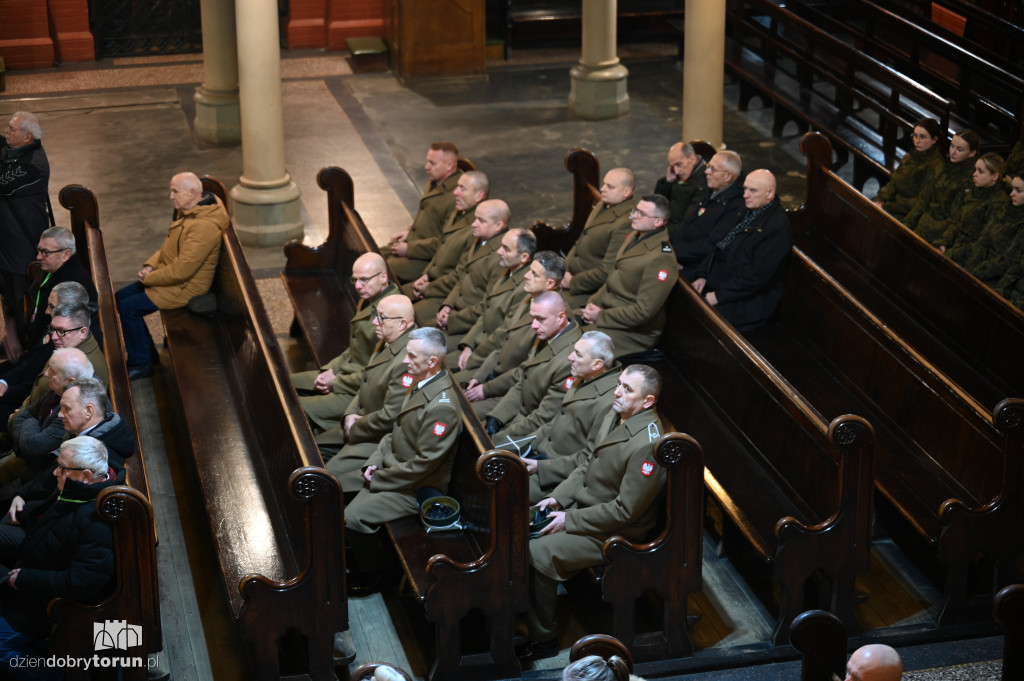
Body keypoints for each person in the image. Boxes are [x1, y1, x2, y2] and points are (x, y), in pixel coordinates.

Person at [516, 365, 667, 662]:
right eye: (619, 384)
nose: (617, 391)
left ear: (647, 401)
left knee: (537, 552)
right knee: (522, 523)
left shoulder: (648, 445)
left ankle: (543, 638)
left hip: (615, 532)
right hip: (588, 508)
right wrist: (558, 498)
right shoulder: (615, 415)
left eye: (627, 389)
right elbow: (587, 463)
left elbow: (625, 511)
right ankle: (520, 608)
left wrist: (569, 519)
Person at [344, 327, 462, 595]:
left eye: (412, 356)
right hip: (394, 468)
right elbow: (393, 432)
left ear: (432, 361)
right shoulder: (421, 382)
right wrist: (374, 461)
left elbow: (424, 464)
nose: (405, 360)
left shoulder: (442, 407)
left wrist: (380, 478)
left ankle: (376, 575)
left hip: (415, 488)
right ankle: (358, 554)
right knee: (338, 486)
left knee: (352, 517)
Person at [0, 436, 118, 678]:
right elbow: (54, 534)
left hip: (46, 608)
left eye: (62, 468)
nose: (55, 473)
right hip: (28, 589)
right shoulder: (78, 492)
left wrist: (25, 578)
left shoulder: (98, 521)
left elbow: (80, 583)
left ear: (86, 475)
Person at [115, 171, 230, 379]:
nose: (171, 196)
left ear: (192, 193)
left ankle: (141, 363)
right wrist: (151, 266)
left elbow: (182, 272)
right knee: (120, 297)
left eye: (175, 192)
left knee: (128, 308)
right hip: (171, 278)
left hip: (186, 287)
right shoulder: (190, 212)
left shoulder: (204, 226)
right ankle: (146, 353)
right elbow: (169, 248)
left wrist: (150, 278)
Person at [291, 252, 397, 431]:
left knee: (294, 410)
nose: (358, 286)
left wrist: (336, 382)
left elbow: (377, 373)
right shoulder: (369, 299)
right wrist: (331, 370)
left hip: (359, 392)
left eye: (364, 279)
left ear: (383, 277)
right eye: (355, 280)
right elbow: (355, 349)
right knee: (284, 384)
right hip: (345, 373)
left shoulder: (392, 313)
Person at [518, 331, 621, 502]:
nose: (570, 357)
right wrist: (516, 447)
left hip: (558, 475)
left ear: (597, 364)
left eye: (578, 354)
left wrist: (541, 467)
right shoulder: (583, 376)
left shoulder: (609, 402)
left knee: (503, 491)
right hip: (539, 456)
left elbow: (589, 458)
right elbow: (553, 425)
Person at [320, 294, 416, 472]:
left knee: (330, 474)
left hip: (378, 438)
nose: (374, 322)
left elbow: (390, 417)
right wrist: (350, 413)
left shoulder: (407, 360)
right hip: (361, 420)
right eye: (375, 315)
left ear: (402, 324)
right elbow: (366, 382)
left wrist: (356, 426)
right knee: (316, 447)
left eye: (382, 318)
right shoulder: (388, 339)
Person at [692, 169, 792, 332]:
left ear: (769, 193)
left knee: (699, 319)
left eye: (753, 190)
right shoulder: (747, 210)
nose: (745, 195)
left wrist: (718, 295)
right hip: (725, 281)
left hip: (748, 302)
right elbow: (719, 243)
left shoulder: (776, 229)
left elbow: (756, 277)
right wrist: (702, 274)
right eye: (745, 189)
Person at [461, 251, 565, 402]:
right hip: (494, 372)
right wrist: (479, 376)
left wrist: (486, 389)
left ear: (550, 284)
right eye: (529, 271)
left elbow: (526, 371)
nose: (526, 276)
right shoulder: (529, 298)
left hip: (511, 391)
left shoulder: (553, 316)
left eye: (534, 274)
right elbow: (504, 342)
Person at [581, 194, 677, 357]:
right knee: (559, 325)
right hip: (610, 312)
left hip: (634, 333)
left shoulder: (662, 258)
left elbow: (643, 312)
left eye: (642, 214)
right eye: (636, 210)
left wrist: (601, 316)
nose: (635, 216)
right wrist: (593, 303)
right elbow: (614, 277)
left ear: (658, 222)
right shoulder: (635, 235)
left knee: (574, 348)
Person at [483, 291, 581, 438]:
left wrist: (499, 437)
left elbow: (545, 416)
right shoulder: (548, 334)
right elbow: (523, 382)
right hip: (519, 413)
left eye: (540, 319)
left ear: (561, 317)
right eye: (533, 318)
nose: (534, 325)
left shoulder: (572, 358)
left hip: (534, 430)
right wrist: (497, 417)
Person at [0, 303, 108, 433]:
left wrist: (20, 417)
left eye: (61, 331)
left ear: (82, 332)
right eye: (52, 329)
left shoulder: (84, 366)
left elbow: (59, 423)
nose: (54, 337)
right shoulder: (67, 345)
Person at [3, 348, 94, 498]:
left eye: (52, 371)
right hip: (23, 458)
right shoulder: (58, 390)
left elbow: (33, 447)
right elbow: (25, 414)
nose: (46, 374)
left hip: (36, 478)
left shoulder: (72, 411)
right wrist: (30, 424)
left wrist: (28, 421)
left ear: (70, 381)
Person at [1, 112, 50, 358]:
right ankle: (13, 339)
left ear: (27, 137)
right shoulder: (13, 151)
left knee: (21, 299)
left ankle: (25, 351)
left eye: (11, 129)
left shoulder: (32, 166)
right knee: (7, 296)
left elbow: (2, 183)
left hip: (22, 249)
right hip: (7, 244)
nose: (6, 131)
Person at [451, 227, 536, 368]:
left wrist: (473, 358)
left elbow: (505, 332)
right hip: (478, 340)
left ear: (524, 257)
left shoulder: (525, 287)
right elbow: (486, 310)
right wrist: (468, 345)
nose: (499, 251)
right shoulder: (507, 271)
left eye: (506, 249)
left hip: (488, 356)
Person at [405, 170, 489, 308]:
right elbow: (441, 246)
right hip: (432, 280)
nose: (455, 192)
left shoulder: (477, 228)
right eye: (457, 187)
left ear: (478, 196)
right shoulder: (460, 211)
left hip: (445, 295)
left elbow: (460, 276)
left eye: (462, 189)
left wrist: (429, 288)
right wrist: (426, 275)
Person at [383, 142, 463, 282]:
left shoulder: (456, 197)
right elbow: (427, 217)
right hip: (413, 242)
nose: (426, 167)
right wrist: (410, 231)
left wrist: (410, 249)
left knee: (381, 272)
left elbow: (446, 242)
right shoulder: (433, 182)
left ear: (449, 165)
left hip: (425, 259)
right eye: (427, 161)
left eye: (433, 163)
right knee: (370, 255)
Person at [430, 200, 510, 335]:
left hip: (468, 325)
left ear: (498, 225)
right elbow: (462, 277)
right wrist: (448, 305)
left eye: (481, 221)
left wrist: (452, 320)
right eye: (475, 219)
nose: (474, 224)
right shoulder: (480, 240)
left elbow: (487, 305)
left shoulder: (500, 257)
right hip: (455, 310)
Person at [562, 168, 638, 309]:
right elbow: (580, 241)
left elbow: (608, 270)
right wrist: (564, 269)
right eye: (604, 184)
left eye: (610, 186)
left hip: (588, 292)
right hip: (570, 276)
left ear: (626, 192)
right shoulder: (604, 205)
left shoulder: (626, 222)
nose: (602, 189)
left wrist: (573, 282)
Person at [672, 150, 745, 280]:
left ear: (728, 176)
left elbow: (710, 246)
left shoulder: (736, 206)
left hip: (699, 268)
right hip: (682, 254)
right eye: (707, 167)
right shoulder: (711, 188)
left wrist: (675, 254)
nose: (706, 172)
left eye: (712, 169)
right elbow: (689, 222)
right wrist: (674, 252)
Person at [23, 227, 98, 352]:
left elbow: (59, 337)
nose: (38, 257)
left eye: (45, 252)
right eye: (39, 250)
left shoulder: (70, 285)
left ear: (66, 254)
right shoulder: (56, 268)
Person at [903, 130, 980, 244]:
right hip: (926, 221)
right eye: (952, 146)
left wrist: (939, 237)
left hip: (941, 232)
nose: (953, 152)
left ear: (972, 153)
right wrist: (908, 222)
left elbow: (957, 219)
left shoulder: (971, 180)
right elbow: (925, 199)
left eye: (959, 149)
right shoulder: (943, 167)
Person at [872, 118, 945, 223]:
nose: (917, 141)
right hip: (892, 205)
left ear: (934, 140)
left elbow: (921, 203)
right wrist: (879, 200)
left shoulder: (936, 166)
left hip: (909, 216)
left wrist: (887, 206)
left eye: (922, 137)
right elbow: (893, 183)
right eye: (915, 136)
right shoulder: (909, 157)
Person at [939, 153, 1008, 255]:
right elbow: (957, 222)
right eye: (975, 169)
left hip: (967, 254)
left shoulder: (998, 204)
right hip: (955, 246)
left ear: (995, 176)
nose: (974, 174)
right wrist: (944, 242)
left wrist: (950, 253)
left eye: (980, 171)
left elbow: (981, 243)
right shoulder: (975, 190)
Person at [654, 142, 707, 239]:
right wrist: (668, 182)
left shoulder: (704, 184)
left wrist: (656, 230)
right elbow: (656, 205)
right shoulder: (679, 176)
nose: (676, 171)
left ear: (692, 159)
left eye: (679, 164)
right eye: (672, 166)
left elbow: (687, 226)